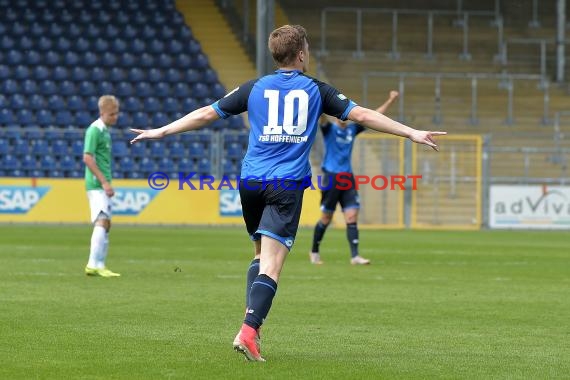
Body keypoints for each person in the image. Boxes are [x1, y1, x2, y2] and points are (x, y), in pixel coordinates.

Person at [130, 25, 445, 362]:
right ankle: (248, 331)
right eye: (306, 48)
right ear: (300, 54)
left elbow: (208, 113)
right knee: (272, 266)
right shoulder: (317, 90)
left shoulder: (254, 88)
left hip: (250, 181)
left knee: (258, 254)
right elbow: (363, 114)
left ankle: (255, 327)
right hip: (286, 184)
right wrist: (411, 132)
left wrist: (161, 130)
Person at [310, 90, 400, 266]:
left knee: (352, 216)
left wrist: (390, 100)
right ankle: (314, 251)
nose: (342, 117)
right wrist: (318, 101)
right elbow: (321, 117)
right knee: (326, 218)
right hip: (331, 177)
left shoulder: (353, 129)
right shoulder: (329, 129)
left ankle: (355, 256)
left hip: (347, 177)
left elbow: (374, 116)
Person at [83, 95, 121, 278]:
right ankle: (93, 264)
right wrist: (104, 182)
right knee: (102, 220)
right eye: (112, 114)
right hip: (97, 184)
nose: (116, 117)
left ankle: (100, 264)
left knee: (106, 223)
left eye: (117, 113)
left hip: (102, 183)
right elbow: (87, 157)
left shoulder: (104, 131)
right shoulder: (95, 130)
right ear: (103, 112)